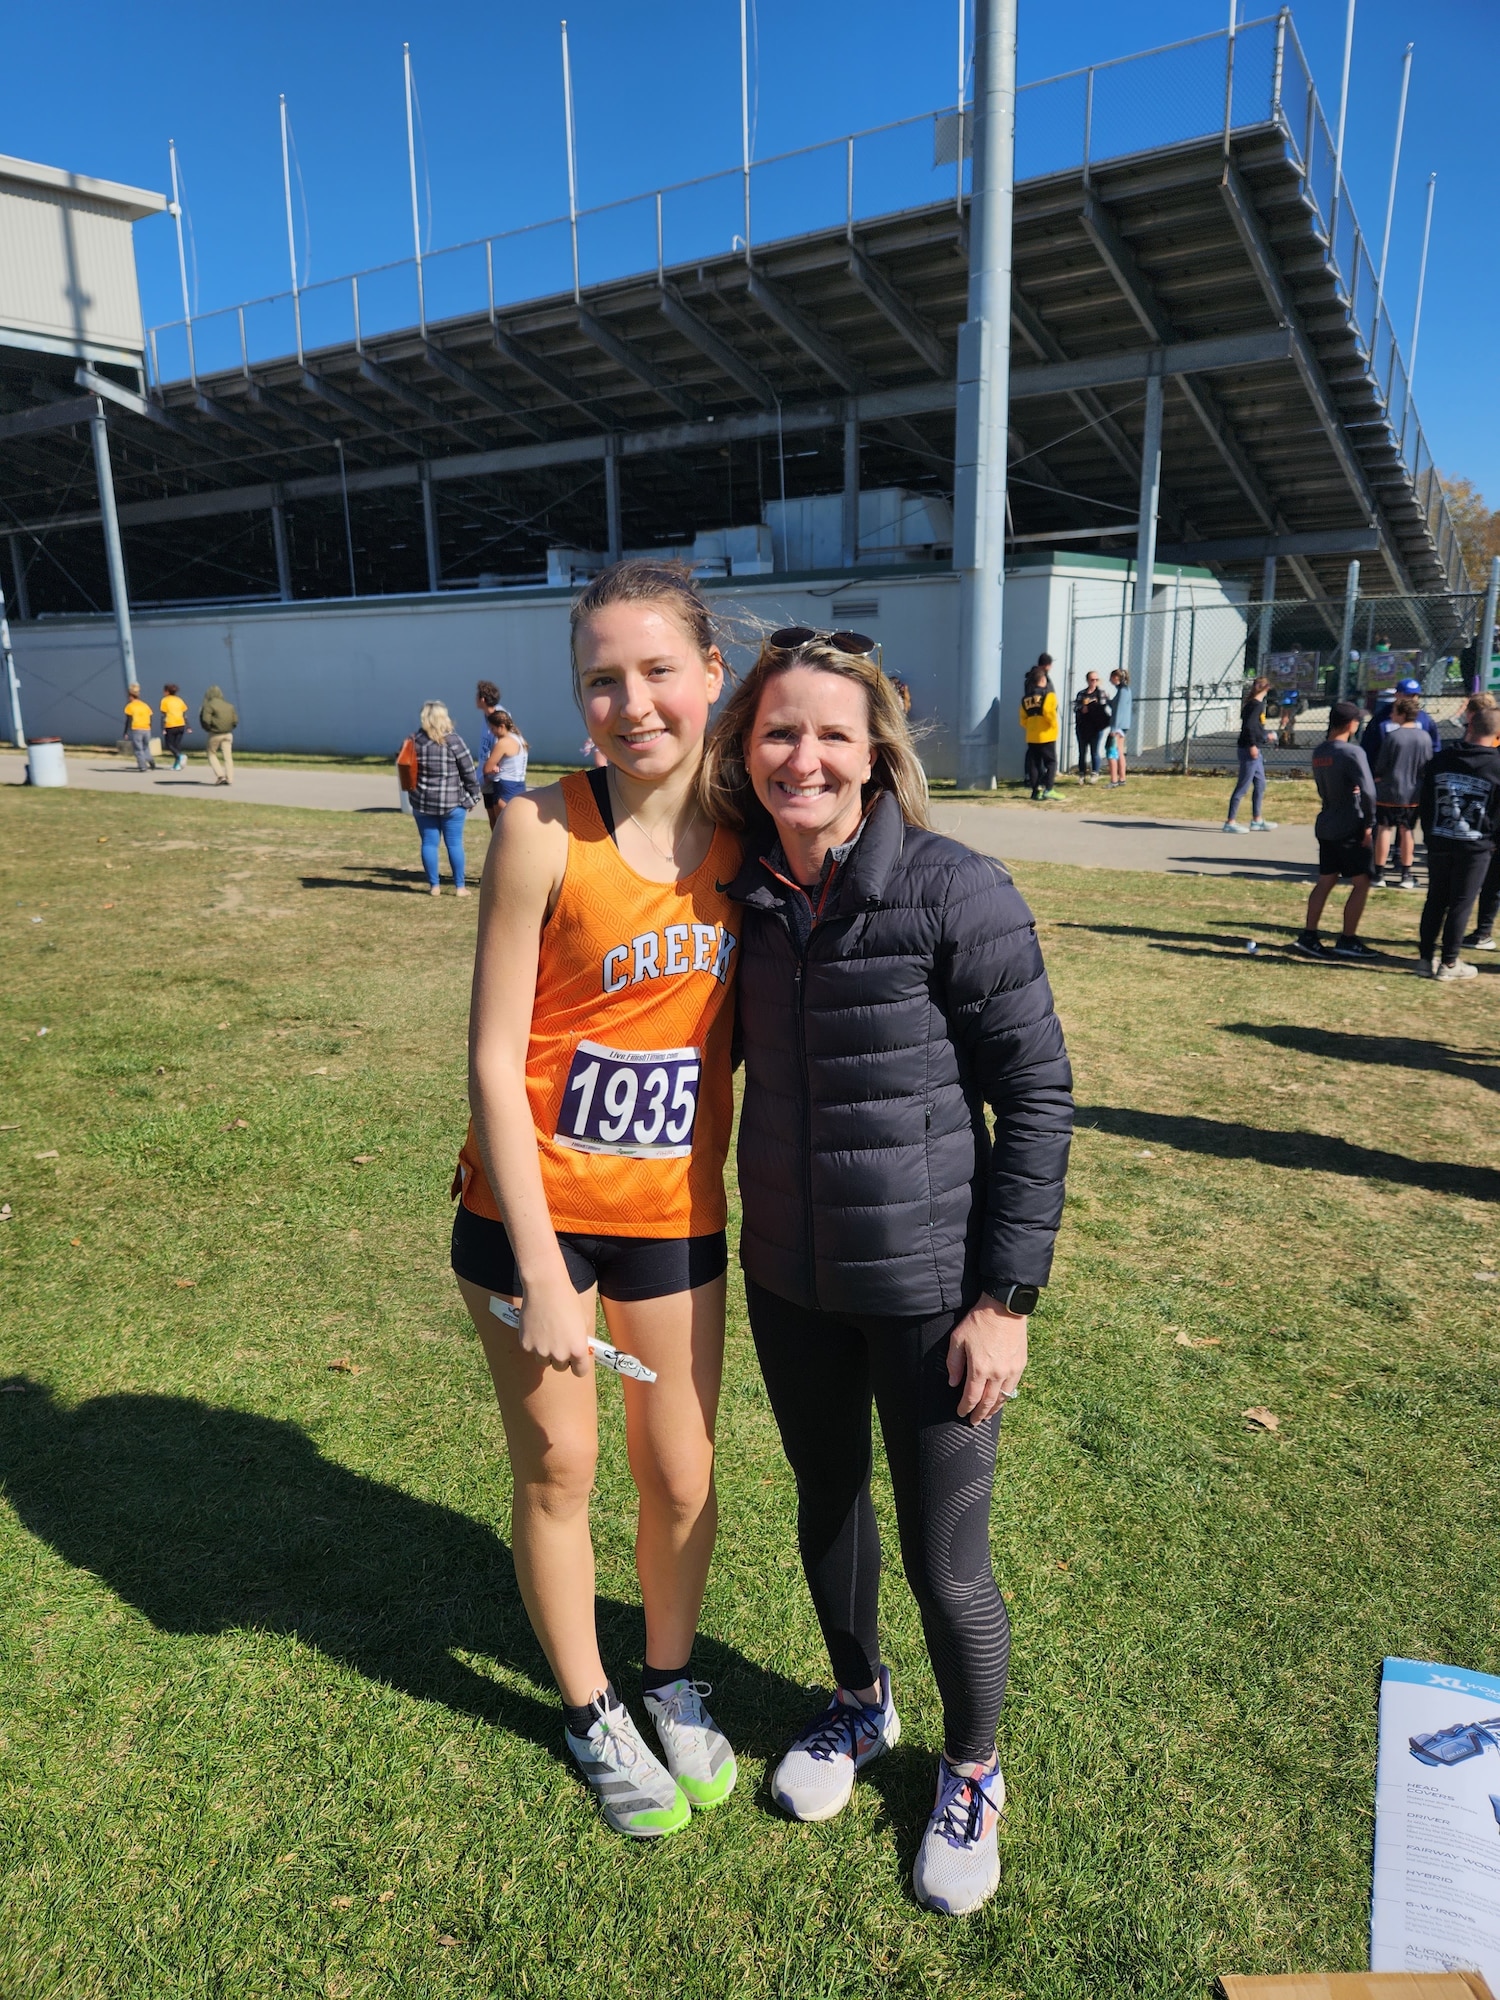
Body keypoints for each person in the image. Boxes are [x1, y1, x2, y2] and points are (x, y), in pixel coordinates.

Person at [703, 632, 1073, 1916]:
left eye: (830, 734)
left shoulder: (955, 889)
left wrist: (1003, 1302)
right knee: (825, 1501)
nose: (802, 755)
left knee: (945, 1558)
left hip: (930, 1293)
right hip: (791, 1278)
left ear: (875, 757)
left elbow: (1035, 1096)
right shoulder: (737, 895)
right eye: (777, 732)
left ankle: (972, 1767)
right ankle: (858, 1702)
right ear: (745, 753)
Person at [452, 560, 742, 1840]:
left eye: (657, 670)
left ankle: (671, 1680)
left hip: (675, 1212)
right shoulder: (537, 832)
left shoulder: (755, 836)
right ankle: (589, 1707)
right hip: (535, 1216)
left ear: (711, 676)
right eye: (603, 680)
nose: (633, 704)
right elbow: (490, 1062)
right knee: (562, 1461)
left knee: (678, 1471)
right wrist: (540, 1266)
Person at [1415, 695, 1500, 981]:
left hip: (1440, 838)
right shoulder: (1496, 765)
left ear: (1469, 725)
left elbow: (1425, 800)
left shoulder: (1441, 759)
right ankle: (1449, 964)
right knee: (1461, 902)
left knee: (1435, 899)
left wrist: (1429, 832)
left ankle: (1425, 959)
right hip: (1475, 845)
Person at [1293, 700, 1377, 961]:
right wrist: (1369, 825)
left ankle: (1309, 934)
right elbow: (1369, 792)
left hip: (1327, 821)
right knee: (1362, 882)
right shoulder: (1352, 752)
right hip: (1350, 824)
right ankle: (1348, 939)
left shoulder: (1320, 751)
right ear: (1351, 724)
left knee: (1326, 880)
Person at [409, 701, 481, 897]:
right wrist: (473, 797)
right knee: (454, 843)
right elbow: (468, 772)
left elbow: (406, 771)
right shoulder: (454, 741)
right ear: (444, 717)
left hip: (423, 802)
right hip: (452, 802)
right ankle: (460, 887)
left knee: (429, 843)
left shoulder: (414, 741)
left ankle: (434, 886)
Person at [1371, 694, 1431, 890]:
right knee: (1407, 832)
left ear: (1402, 714)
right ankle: (1406, 874)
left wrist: (1379, 777)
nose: (1391, 714)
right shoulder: (1424, 737)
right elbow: (1426, 765)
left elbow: (1381, 765)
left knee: (1383, 829)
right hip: (1413, 794)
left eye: (1395, 711)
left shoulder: (1393, 737)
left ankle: (1379, 873)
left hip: (1389, 791)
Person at [1222, 676, 1278, 833]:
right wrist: (1252, 745)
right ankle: (1230, 822)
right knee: (1243, 787)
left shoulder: (1255, 705)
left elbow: (1256, 728)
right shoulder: (1255, 705)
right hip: (1249, 750)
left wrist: (1267, 736)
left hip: (1256, 750)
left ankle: (1257, 820)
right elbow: (1249, 728)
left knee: (1260, 784)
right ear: (1265, 688)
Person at [1363, 676, 1441, 760]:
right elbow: (1369, 747)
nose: (1412, 699)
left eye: (1415, 695)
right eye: (1408, 695)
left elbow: (1435, 746)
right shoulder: (1381, 718)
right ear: (1397, 695)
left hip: (1418, 767)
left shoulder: (1424, 718)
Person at [1018, 662, 1060, 801]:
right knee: (1051, 762)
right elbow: (1049, 712)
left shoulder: (1026, 699)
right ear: (1043, 680)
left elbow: (1022, 719)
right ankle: (1049, 788)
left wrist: (1030, 726)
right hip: (1046, 734)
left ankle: (1035, 791)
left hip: (1032, 735)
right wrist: (1053, 725)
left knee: (1035, 763)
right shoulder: (1049, 696)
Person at [481, 707, 529, 824]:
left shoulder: (503, 743)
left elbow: (486, 769)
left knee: (502, 827)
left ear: (501, 726)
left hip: (504, 787)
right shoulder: (520, 739)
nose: (491, 732)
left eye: (492, 728)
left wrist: (492, 765)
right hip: (520, 785)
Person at [1072, 671, 1110, 782]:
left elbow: (1103, 707)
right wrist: (1082, 708)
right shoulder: (1081, 694)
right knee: (1082, 751)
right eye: (1092, 680)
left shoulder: (1101, 693)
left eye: (1096, 680)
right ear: (1087, 680)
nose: (1094, 682)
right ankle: (1082, 774)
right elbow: (1075, 707)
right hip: (1083, 726)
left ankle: (1095, 773)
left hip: (1096, 727)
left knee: (1095, 751)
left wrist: (1093, 706)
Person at [199, 684, 238, 786]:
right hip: (228, 734)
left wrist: (209, 729)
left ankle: (220, 776)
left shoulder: (209, 705)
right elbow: (235, 721)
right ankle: (230, 778)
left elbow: (205, 720)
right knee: (228, 757)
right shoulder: (229, 705)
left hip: (215, 734)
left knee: (211, 754)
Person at [1106, 667, 1132, 787]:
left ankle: (1114, 780)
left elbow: (1119, 711)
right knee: (1119, 752)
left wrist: (1114, 729)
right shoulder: (1123, 691)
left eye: (1112, 677)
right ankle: (1122, 778)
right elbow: (1116, 707)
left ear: (1116, 678)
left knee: (1112, 752)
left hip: (1119, 726)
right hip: (1121, 725)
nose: (1110, 680)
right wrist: (1108, 701)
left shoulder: (1123, 691)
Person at [123, 684, 155, 771]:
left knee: (138, 748)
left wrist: (126, 732)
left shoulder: (130, 706)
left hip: (137, 728)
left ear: (130, 696)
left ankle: (142, 766)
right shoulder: (145, 705)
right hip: (147, 728)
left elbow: (128, 720)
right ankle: (150, 760)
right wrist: (149, 727)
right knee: (146, 746)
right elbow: (150, 716)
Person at [159, 684, 190, 770]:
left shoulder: (165, 700)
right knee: (177, 745)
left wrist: (163, 728)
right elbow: (184, 714)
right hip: (181, 724)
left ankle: (180, 756)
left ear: (167, 692)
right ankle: (177, 765)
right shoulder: (179, 700)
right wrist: (188, 726)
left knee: (169, 745)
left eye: (164, 691)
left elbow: (164, 715)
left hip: (171, 724)